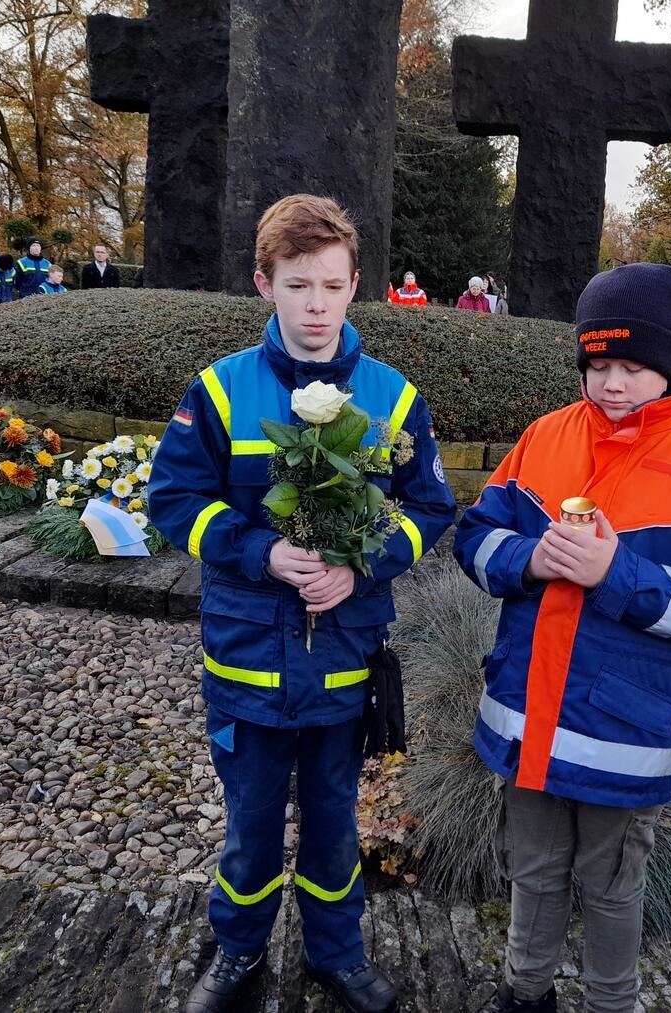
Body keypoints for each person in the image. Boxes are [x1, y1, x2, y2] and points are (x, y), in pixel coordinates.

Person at [148, 194, 456, 1013]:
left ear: (356, 285)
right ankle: (239, 950)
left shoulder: (393, 399)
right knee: (250, 825)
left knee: (332, 821)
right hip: (246, 658)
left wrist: (361, 568)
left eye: (330, 284)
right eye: (296, 285)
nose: (315, 305)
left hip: (344, 659)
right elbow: (172, 499)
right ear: (264, 284)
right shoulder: (219, 391)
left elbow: (431, 508)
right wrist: (262, 552)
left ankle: (337, 954)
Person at [453, 261, 671, 1013]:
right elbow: (475, 536)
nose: (612, 383)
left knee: (611, 884)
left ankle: (610, 1001)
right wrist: (528, 559)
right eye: (598, 364)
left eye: (632, 366)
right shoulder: (544, 437)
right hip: (529, 716)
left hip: (624, 733)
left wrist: (616, 574)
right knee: (533, 870)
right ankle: (525, 992)